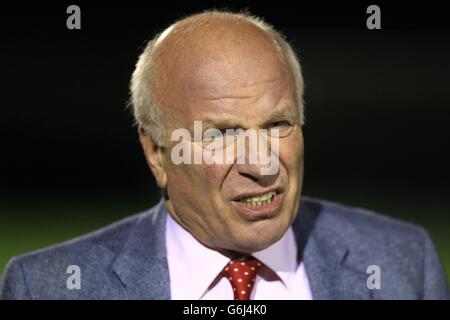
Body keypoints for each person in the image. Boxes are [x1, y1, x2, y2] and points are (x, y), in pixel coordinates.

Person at [1, 10, 448, 300]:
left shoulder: (403, 264)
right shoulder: (47, 287)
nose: (262, 164)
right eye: (222, 135)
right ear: (157, 153)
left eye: (278, 125)